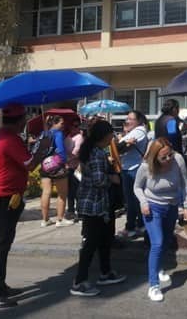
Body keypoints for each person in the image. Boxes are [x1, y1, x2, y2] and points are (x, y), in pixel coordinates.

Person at [0, 103, 51, 308]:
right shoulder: (11, 139)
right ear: (20, 121)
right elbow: (30, 164)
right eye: (24, 122)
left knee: (3, 244)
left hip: (0, 195)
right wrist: (43, 149)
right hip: (3, 197)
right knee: (0, 246)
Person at [71, 120, 126, 297]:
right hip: (93, 204)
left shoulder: (93, 151)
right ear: (104, 135)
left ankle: (105, 272)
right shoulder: (96, 153)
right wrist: (112, 178)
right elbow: (98, 180)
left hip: (96, 203)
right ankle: (79, 282)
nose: (113, 136)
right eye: (111, 133)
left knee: (103, 240)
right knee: (91, 243)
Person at [134, 137, 187, 302]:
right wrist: (143, 202)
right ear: (154, 157)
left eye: (169, 155)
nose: (168, 160)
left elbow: (185, 183)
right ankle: (153, 285)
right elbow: (137, 187)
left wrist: (186, 206)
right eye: (163, 157)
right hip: (153, 206)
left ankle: (158, 267)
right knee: (157, 243)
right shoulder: (145, 167)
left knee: (166, 241)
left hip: (171, 206)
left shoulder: (178, 160)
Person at [117, 110, 149, 239]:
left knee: (133, 200)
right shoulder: (134, 131)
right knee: (133, 200)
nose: (127, 121)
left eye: (131, 119)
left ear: (139, 121)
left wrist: (121, 141)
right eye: (127, 118)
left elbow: (121, 147)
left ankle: (132, 227)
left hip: (134, 169)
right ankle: (138, 225)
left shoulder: (139, 131)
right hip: (128, 167)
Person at [39, 115, 74, 228]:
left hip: (45, 164)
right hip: (57, 165)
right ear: (55, 123)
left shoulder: (44, 133)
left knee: (46, 192)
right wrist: (64, 161)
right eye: (62, 123)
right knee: (62, 193)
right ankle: (60, 219)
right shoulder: (58, 134)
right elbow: (60, 150)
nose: (63, 126)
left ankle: (44, 220)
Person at [64, 119, 84, 220]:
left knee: (77, 190)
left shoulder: (79, 137)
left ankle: (80, 212)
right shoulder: (68, 137)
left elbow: (76, 151)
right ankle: (71, 210)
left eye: (77, 126)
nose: (76, 128)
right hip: (68, 167)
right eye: (74, 126)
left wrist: (65, 159)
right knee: (69, 191)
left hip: (76, 167)